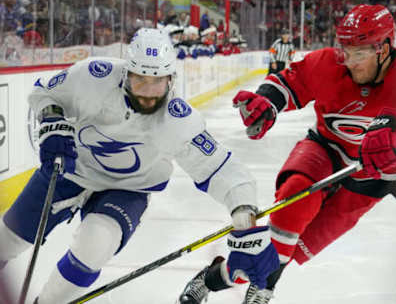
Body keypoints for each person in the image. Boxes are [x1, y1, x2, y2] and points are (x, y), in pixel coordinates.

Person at [179, 4, 396, 304]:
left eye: (359, 54)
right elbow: (287, 81)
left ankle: (219, 277)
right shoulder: (329, 63)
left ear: (385, 48)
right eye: (345, 51)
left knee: (292, 249)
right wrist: (267, 103)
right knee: (292, 206)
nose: (350, 62)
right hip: (325, 149)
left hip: (374, 175)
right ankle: (261, 288)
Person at [0, 28, 279, 304]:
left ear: (171, 80)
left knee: (95, 243)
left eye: (156, 84)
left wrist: (243, 208)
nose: (147, 94)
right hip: (71, 171)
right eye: (139, 82)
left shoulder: (177, 119)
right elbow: (44, 93)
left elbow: (220, 167)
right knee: (6, 240)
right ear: (126, 75)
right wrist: (52, 120)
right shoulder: (92, 76)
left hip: (128, 190)